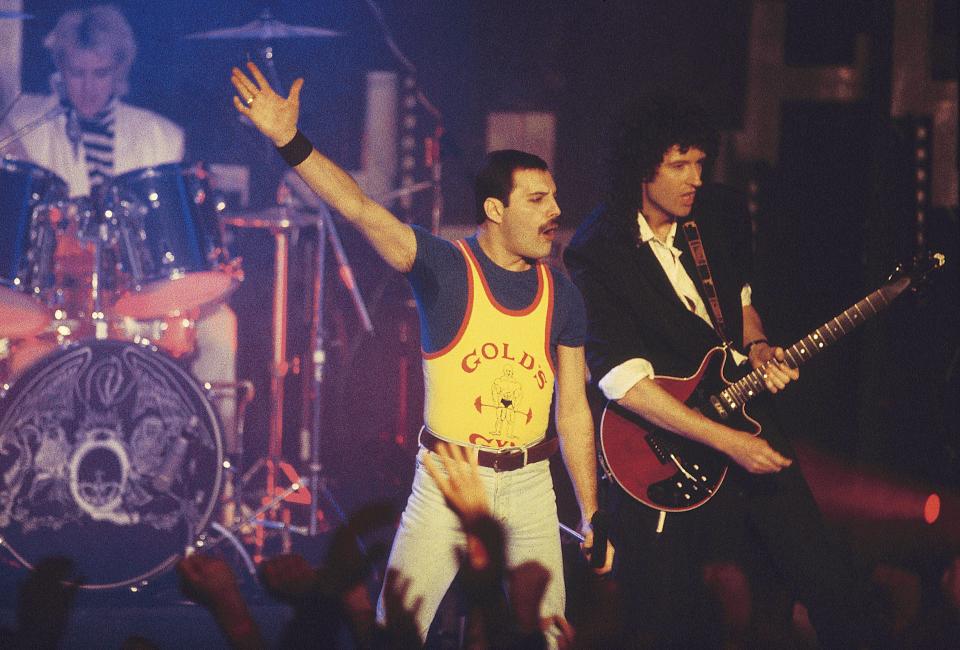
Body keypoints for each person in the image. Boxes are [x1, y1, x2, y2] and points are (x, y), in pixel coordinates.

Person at [230, 61, 609, 644]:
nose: (554, 211)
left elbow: (575, 410)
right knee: (396, 632)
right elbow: (359, 208)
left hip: (532, 485)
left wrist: (591, 511)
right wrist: (289, 140)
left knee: (551, 639)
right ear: (495, 210)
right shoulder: (444, 266)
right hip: (446, 481)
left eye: (554, 197)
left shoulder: (564, 293)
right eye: (537, 199)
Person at [563, 96, 872, 647]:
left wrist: (757, 348)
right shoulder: (599, 249)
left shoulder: (723, 214)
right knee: (663, 615)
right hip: (661, 441)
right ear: (643, 167)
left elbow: (741, 300)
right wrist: (726, 441)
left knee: (823, 574)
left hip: (745, 412)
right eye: (679, 166)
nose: (694, 180)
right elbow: (621, 382)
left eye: (701, 164)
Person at [0, 5, 237, 443]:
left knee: (221, 327)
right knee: (21, 354)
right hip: (59, 302)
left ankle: (215, 470)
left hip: (138, 296)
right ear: (61, 71)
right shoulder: (25, 130)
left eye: (100, 73)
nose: (88, 87)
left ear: (120, 70)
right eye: (77, 73)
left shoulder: (160, 136)